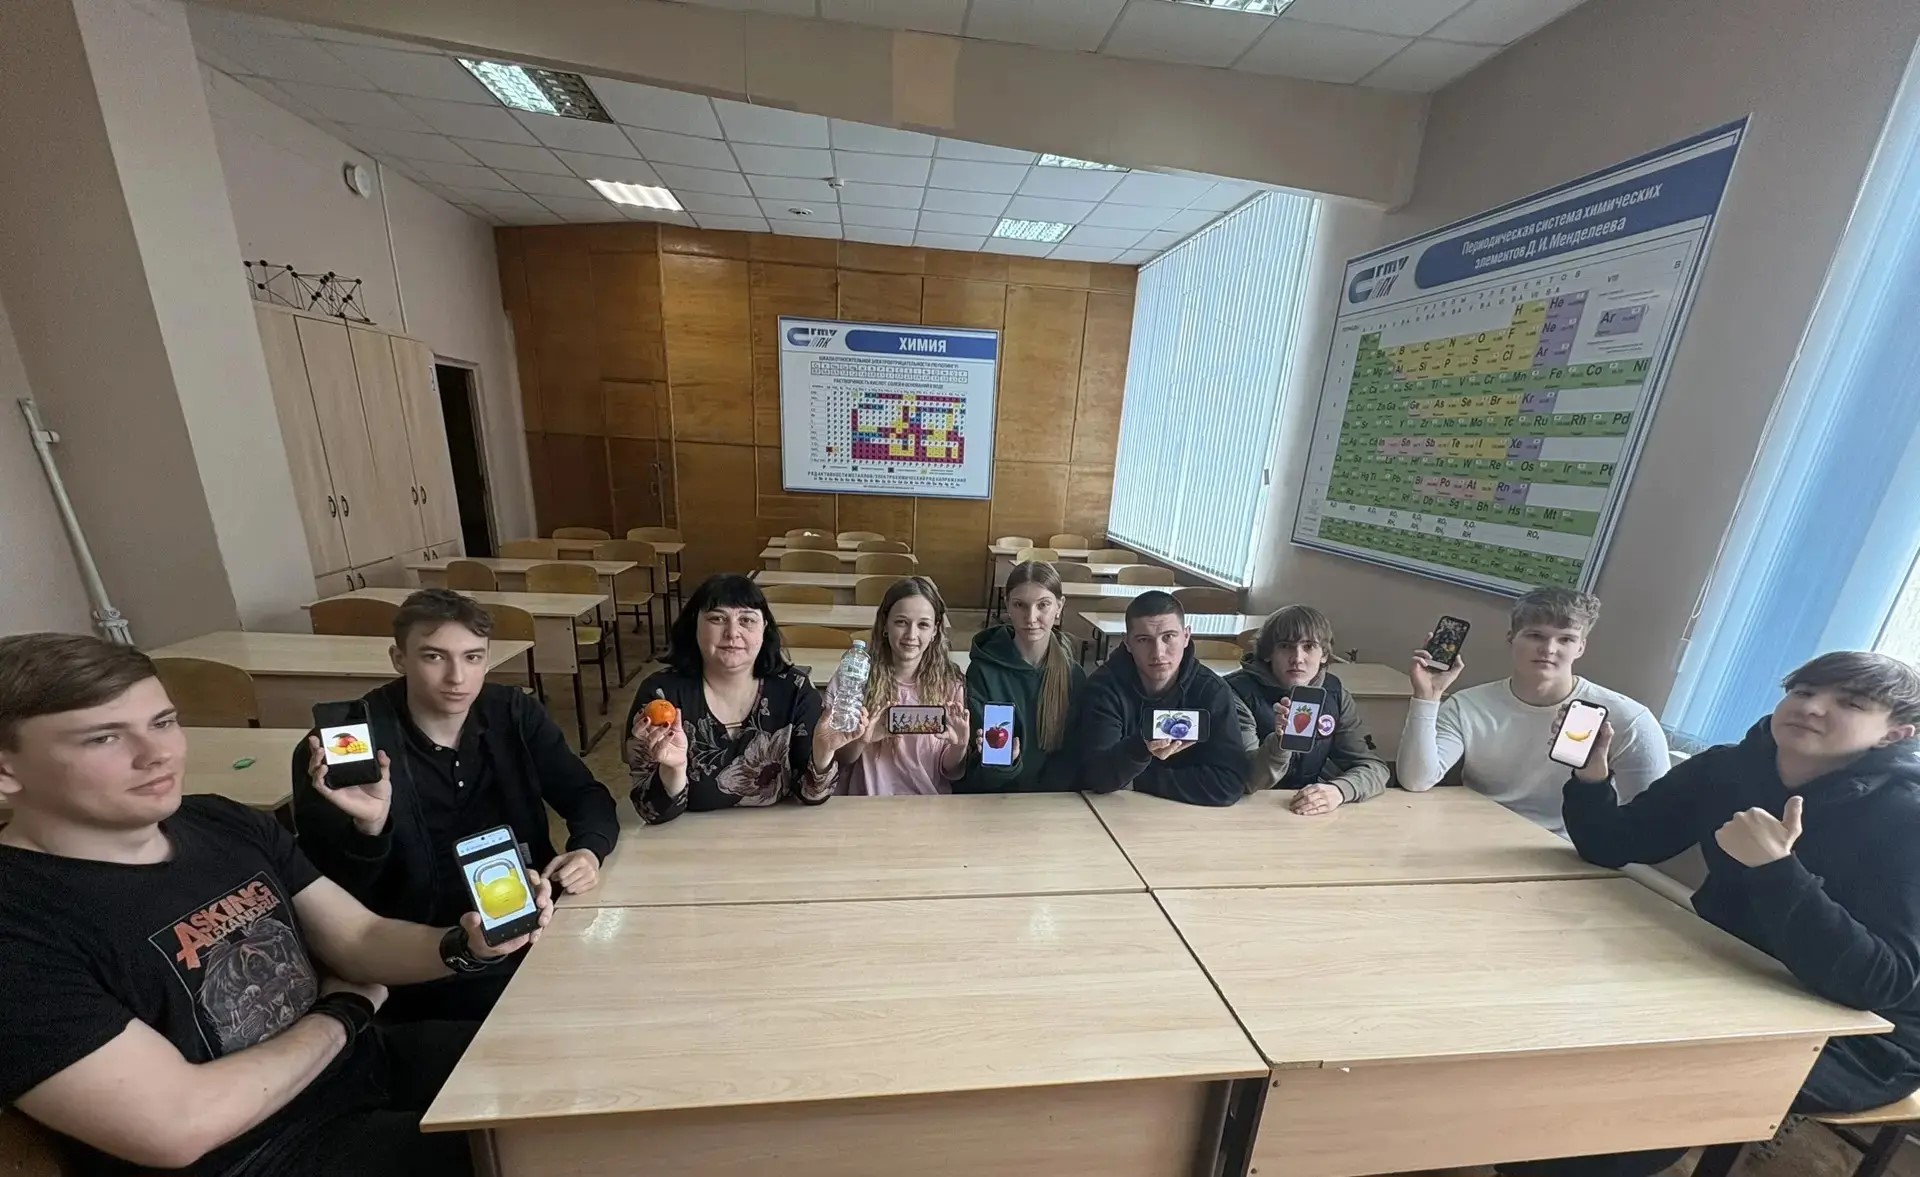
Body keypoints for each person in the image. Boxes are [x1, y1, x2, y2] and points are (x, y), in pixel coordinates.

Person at [0, 633, 552, 1177]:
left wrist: (468, 945)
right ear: (6, 772)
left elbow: (359, 938)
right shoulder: (19, 920)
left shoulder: (220, 820)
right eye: (103, 738)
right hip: (262, 1153)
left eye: (163, 722)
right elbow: (177, 1123)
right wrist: (343, 1013)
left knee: (562, 1076)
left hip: (364, 1065)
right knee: (556, 1152)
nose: (157, 754)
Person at [1563, 652, 1920, 1119]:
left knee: (1649, 1081)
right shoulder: (1727, 768)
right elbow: (1610, 845)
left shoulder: (1905, 818)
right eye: (1803, 691)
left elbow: (1879, 983)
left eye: (1850, 703)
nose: (1811, 707)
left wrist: (1777, 870)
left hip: (1863, 1037)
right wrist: (1591, 777)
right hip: (1730, 972)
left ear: (1894, 734)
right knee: (1570, 1004)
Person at [289, 588, 616, 1021]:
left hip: (529, 930)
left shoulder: (514, 713)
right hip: (416, 961)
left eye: (472, 657)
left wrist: (588, 850)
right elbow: (327, 901)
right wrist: (369, 831)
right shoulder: (347, 747)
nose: (457, 677)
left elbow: (586, 795)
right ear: (399, 658)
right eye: (434, 657)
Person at [1398, 587, 1667, 835]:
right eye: (1535, 635)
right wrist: (1427, 697)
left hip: (1565, 850)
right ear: (1511, 637)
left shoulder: (1628, 720)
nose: (1549, 649)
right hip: (1471, 835)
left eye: (1566, 639)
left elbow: (1650, 822)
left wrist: (1596, 777)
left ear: (1581, 647)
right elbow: (1416, 780)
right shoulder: (1467, 705)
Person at [625, 573, 861, 823]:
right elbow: (651, 811)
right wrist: (673, 769)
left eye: (746, 620)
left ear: (764, 628)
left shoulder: (794, 689)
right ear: (694, 625)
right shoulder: (661, 696)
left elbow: (812, 795)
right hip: (688, 839)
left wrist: (823, 752)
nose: (732, 633)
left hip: (776, 833)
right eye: (717, 619)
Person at [1073, 591, 1248, 806]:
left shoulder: (1212, 691)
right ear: (1127, 643)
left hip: (1191, 814)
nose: (1158, 653)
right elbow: (1097, 777)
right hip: (1117, 811)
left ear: (1186, 637)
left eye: (1168, 637)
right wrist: (1140, 748)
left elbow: (1229, 784)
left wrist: (1136, 780)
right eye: (1144, 640)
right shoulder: (1103, 688)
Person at [1227, 605, 1389, 813]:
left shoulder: (1335, 694)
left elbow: (1374, 767)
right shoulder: (1236, 693)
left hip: (1306, 808)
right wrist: (1280, 744)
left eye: (1309, 646)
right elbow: (1247, 780)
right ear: (1268, 653)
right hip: (1247, 809)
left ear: (1324, 654)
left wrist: (1340, 791)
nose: (1297, 658)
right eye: (1285, 646)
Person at [959, 560, 1088, 793]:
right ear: (1007, 605)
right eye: (1020, 605)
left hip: (1055, 801)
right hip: (996, 798)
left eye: (1043, 605)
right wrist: (1004, 765)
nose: (1031, 617)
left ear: (1059, 607)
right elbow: (978, 772)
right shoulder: (983, 672)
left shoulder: (1073, 676)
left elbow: (1074, 758)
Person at [836, 577, 969, 795]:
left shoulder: (950, 685)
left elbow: (949, 770)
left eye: (923, 625)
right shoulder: (855, 677)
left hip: (928, 803)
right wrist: (861, 741)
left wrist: (959, 745)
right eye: (901, 622)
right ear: (885, 624)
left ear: (935, 631)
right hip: (865, 804)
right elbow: (839, 758)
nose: (911, 635)